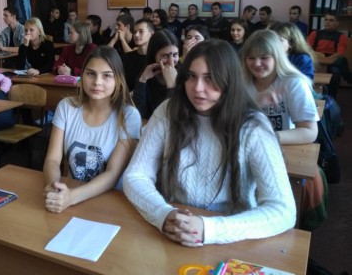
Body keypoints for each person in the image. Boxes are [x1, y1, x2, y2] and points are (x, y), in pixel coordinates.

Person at [123, 39, 296, 246]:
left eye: (210, 78)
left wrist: (209, 229)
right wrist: (163, 213)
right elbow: (136, 175)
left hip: (233, 238)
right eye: (191, 76)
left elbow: (283, 210)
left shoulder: (252, 126)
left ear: (229, 80)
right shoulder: (169, 111)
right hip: (175, 229)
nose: (198, 88)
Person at [43, 46, 141, 213]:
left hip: (109, 203)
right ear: (82, 75)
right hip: (70, 196)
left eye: (107, 75)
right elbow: (52, 159)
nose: (97, 82)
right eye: (91, 74)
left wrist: (71, 197)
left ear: (118, 79)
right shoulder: (66, 107)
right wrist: (54, 186)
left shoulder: (128, 116)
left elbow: (112, 174)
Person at [241, 30, 318, 144]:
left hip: (282, 147)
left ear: (278, 57)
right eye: (251, 58)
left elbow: (309, 132)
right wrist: (256, 104)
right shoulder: (240, 82)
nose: (257, 63)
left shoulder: (294, 83)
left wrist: (266, 137)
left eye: (264, 57)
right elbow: (231, 124)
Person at [133, 30, 179, 119]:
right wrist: (142, 80)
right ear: (154, 56)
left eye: (175, 55)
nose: (171, 62)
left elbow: (173, 116)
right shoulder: (147, 75)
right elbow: (140, 113)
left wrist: (172, 86)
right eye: (165, 56)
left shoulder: (185, 77)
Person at [307, 13, 352, 97]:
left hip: (332, 60)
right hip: (317, 59)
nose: (327, 22)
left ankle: (330, 97)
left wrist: (327, 60)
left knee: (335, 72)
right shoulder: (315, 33)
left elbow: (340, 53)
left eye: (331, 20)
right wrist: (317, 57)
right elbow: (307, 48)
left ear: (337, 23)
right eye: (326, 20)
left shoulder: (341, 36)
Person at [123, 19, 154, 92]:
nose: (136, 35)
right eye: (134, 32)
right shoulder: (125, 57)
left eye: (141, 31)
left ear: (151, 34)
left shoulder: (155, 59)